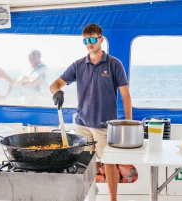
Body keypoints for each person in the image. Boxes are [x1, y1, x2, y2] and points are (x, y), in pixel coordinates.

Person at [50, 24, 132, 201]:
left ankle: (113, 199)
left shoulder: (114, 64)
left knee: (109, 163)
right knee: (83, 164)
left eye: (93, 39)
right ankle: (88, 196)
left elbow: (125, 96)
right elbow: (54, 84)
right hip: (82, 124)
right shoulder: (78, 65)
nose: (90, 43)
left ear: (101, 40)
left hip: (104, 125)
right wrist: (57, 92)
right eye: (86, 40)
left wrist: (129, 123)